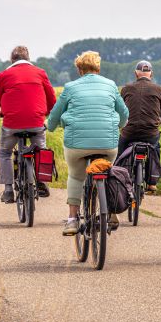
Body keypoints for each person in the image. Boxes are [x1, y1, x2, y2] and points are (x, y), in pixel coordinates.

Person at [47, 51, 129, 235]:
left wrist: (51, 126)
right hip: (107, 144)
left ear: (79, 69)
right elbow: (124, 114)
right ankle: (111, 212)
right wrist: (118, 125)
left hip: (77, 145)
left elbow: (54, 115)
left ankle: (72, 220)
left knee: (76, 176)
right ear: (98, 67)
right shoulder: (110, 85)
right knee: (107, 172)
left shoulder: (70, 87)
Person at [0, 46, 56, 204]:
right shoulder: (40, 73)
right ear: (28, 58)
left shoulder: (4, 75)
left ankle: (7, 190)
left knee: (5, 153)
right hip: (36, 122)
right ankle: (42, 182)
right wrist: (49, 112)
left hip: (12, 124)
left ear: (12, 60)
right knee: (41, 151)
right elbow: (51, 96)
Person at [118, 60, 161, 192]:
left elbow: (118, 110)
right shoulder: (159, 89)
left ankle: (118, 178)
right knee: (155, 148)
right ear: (151, 73)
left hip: (129, 132)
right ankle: (152, 182)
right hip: (150, 134)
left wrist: (119, 124)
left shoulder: (126, 89)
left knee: (120, 152)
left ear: (136, 73)